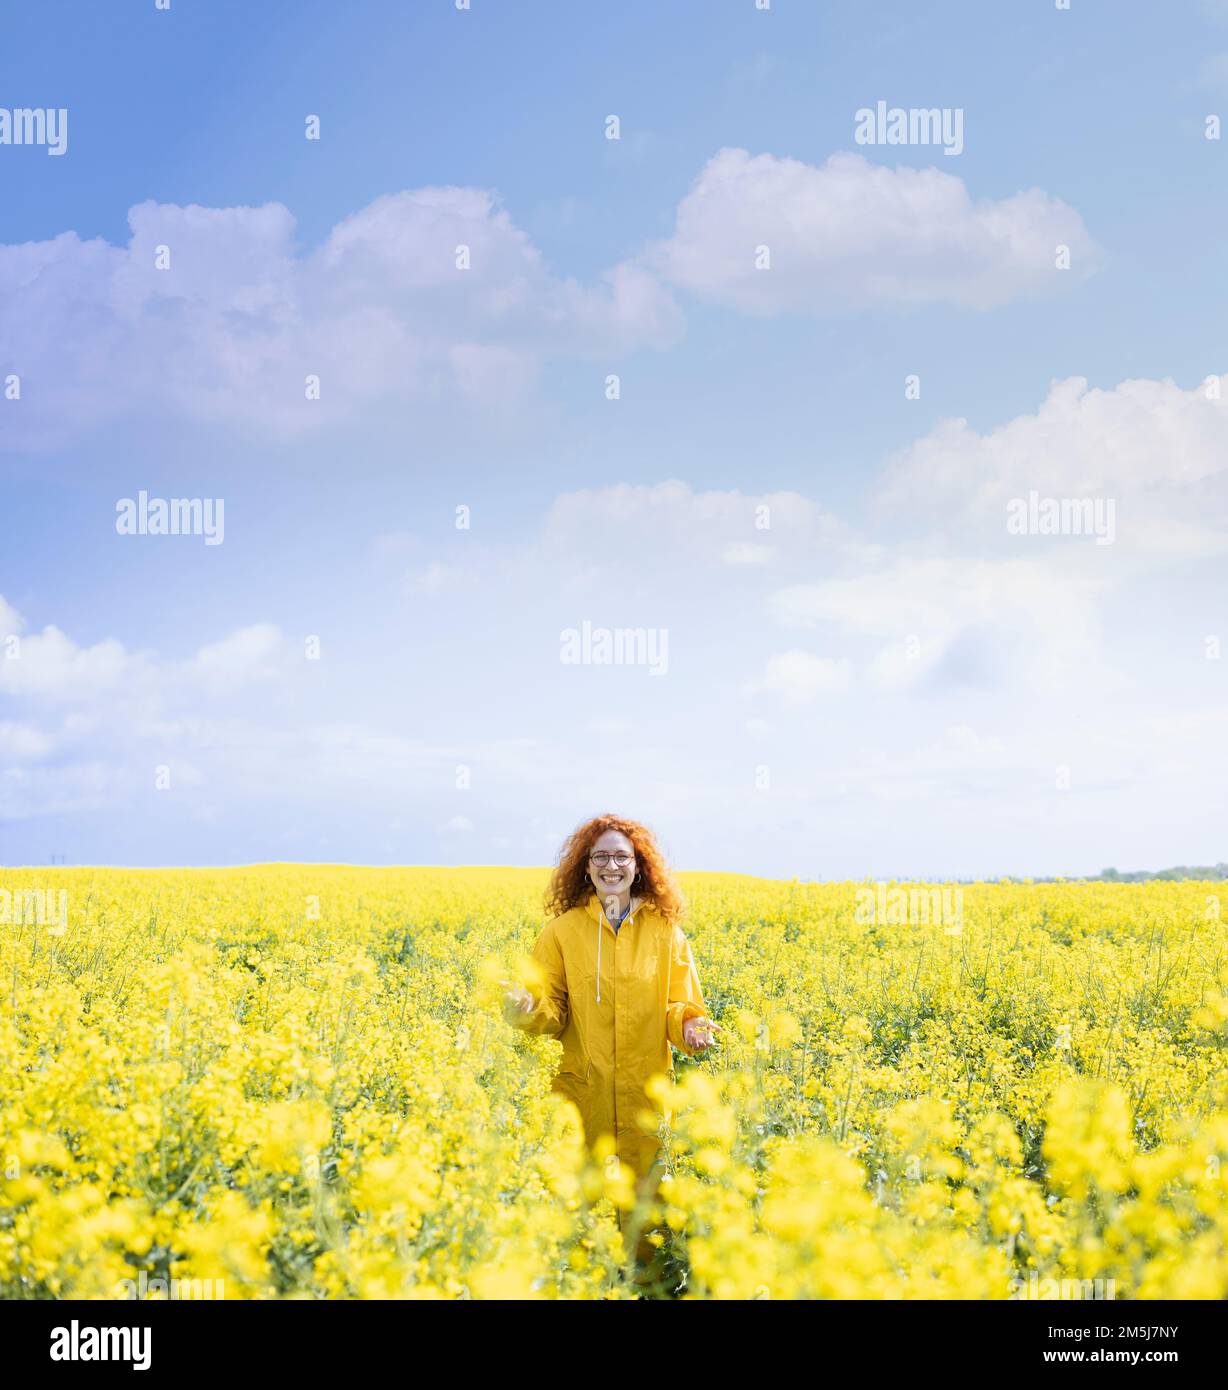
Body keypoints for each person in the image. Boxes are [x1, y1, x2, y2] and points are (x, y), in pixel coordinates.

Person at [502, 814, 720, 1281]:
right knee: (584, 1212)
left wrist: (692, 1028)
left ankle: (646, 1288)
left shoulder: (665, 933)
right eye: (600, 856)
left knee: (647, 1212)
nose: (611, 865)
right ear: (586, 867)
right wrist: (526, 1007)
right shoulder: (561, 932)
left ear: (638, 866)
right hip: (582, 1095)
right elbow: (552, 1008)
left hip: (646, 1097)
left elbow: (680, 1004)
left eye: (622, 856)